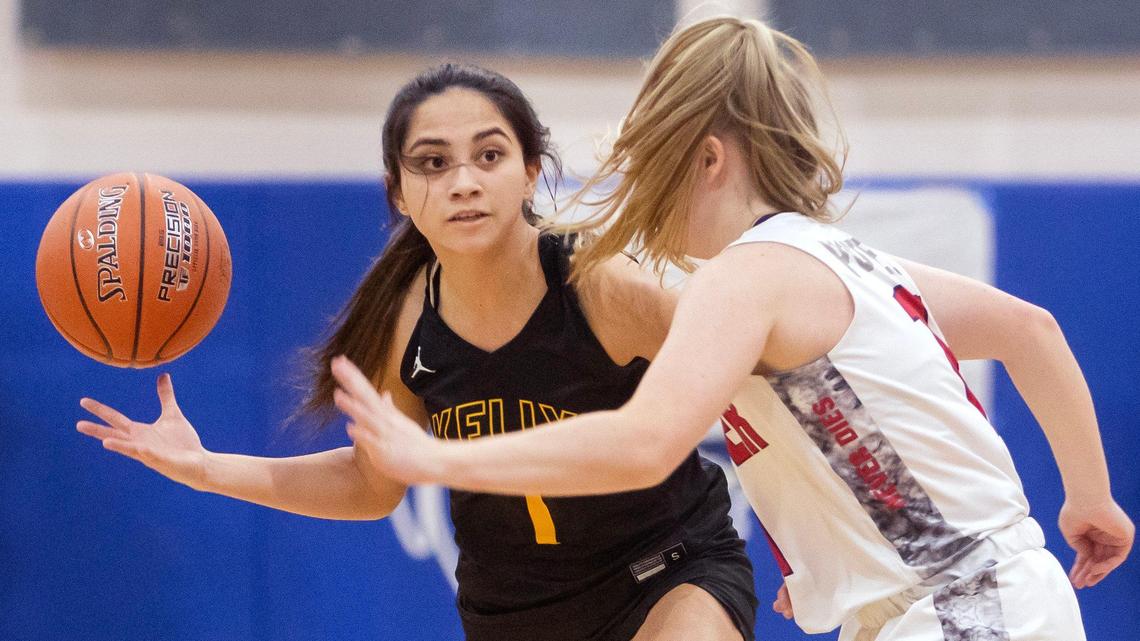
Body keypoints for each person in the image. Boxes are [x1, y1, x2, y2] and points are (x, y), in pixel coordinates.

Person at [331, 18, 1135, 641]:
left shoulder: (744, 277)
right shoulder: (840, 257)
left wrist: (438, 457)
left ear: (709, 160)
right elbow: (1030, 329)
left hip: (960, 606)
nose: (641, 192)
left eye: (653, 163)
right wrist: (1090, 498)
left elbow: (644, 442)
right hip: (967, 601)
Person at [76, 63, 759, 641]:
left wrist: (804, 545)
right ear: (398, 193)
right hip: (515, 615)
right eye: (433, 162)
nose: (463, 181)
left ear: (530, 172)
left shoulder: (599, 283)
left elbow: (760, 380)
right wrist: (206, 468)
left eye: (489, 156)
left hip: (667, 574)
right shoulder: (405, 322)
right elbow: (372, 485)